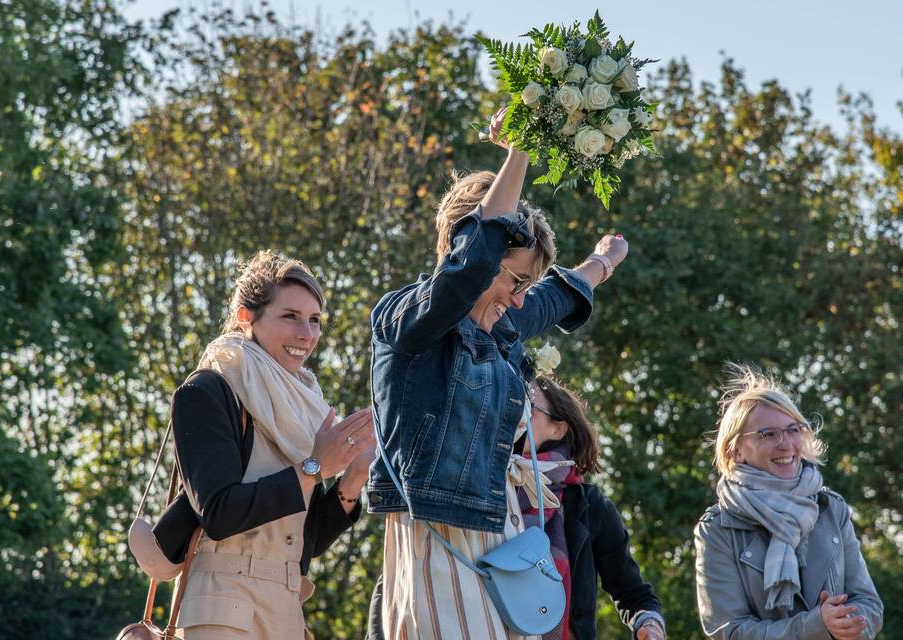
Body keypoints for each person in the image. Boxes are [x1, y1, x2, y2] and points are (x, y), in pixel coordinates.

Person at [365, 107, 629, 639]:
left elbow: (551, 298)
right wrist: (519, 153)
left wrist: (603, 262)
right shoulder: (408, 320)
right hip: (436, 529)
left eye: (524, 285)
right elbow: (469, 269)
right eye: (512, 279)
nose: (517, 299)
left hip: (497, 531)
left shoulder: (499, 328)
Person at [170, 250, 376, 639]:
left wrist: (354, 474)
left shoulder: (305, 408)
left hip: (286, 609)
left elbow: (307, 541)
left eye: (315, 320)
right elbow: (219, 513)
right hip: (222, 609)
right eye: (290, 317)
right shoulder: (207, 391)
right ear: (247, 316)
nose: (307, 334)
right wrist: (314, 467)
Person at [694, 364, 883, 640]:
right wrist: (816, 626)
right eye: (768, 434)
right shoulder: (717, 528)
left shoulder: (831, 509)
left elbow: (870, 606)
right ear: (734, 451)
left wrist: (849, 622)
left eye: (793, 430)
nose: (786, 444)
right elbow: (729, 632)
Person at [517, 376, 665, 640]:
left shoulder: (590, 505)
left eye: (528, 406)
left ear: (558, 429)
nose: (516, 411)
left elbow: (632, 592)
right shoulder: (482, 489)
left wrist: (650, 625)